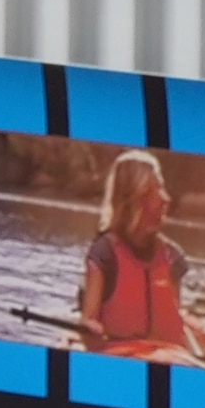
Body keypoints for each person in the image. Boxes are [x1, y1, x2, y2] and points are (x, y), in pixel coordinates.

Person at [77, 152, 191, 355]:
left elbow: (174, 314)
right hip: (122, 355)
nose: (166, 198)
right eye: (157, 190)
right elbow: (89, 319)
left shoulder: (172, 257)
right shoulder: (105, 254)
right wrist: (89, 328)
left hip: (171, 355)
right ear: (138, 197)